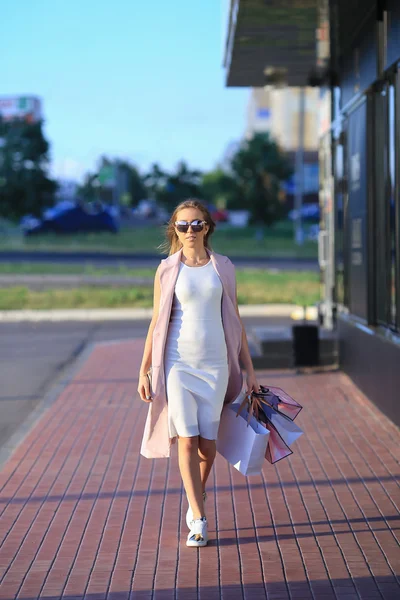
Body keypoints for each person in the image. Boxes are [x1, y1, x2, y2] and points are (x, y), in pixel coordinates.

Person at [137, 198, 260, 547]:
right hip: (179, 364)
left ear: (208, 227)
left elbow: (236, 320)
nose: (189, 231)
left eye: (196, 224)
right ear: (174, 229)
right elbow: (156, 321)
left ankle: (197, 497)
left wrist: (249, 369)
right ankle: (199, 518)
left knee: (208, 443)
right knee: (187, 439)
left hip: (216, 364)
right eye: (182, 225)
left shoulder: (223, 267)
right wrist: (145, 368)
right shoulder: (166, 269)